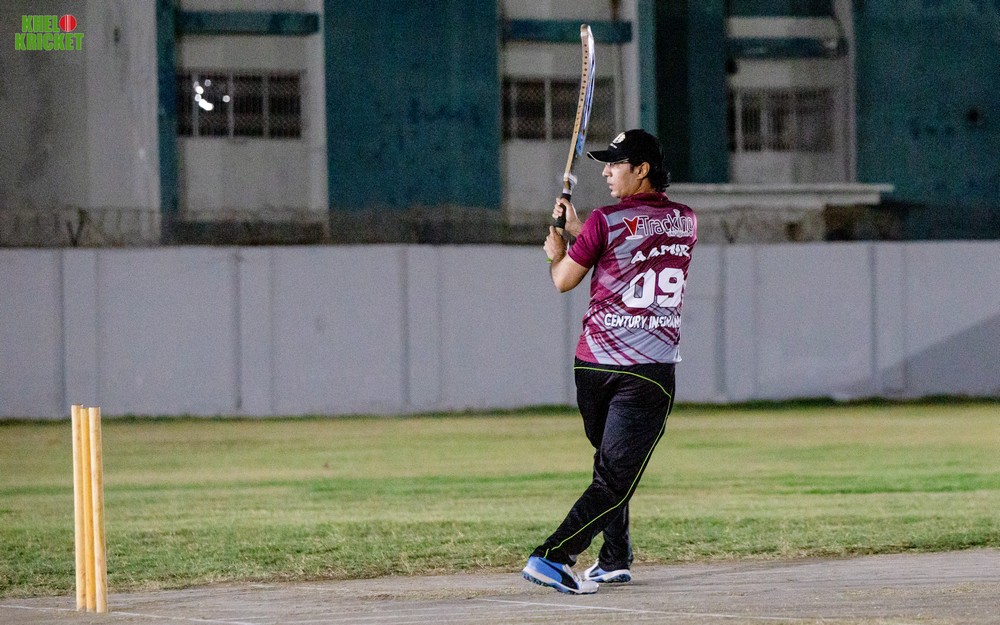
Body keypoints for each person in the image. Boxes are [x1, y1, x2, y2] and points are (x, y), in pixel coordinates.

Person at [521, 129, 697, 595]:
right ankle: (553, 556)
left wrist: (558, 251)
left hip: (593, 367)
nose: (606, 172)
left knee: (610, 469)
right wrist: (581, 232)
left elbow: (563, 279)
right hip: (647, 372)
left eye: (616, 164)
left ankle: (614, 558)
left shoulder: (604, 221)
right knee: (615, 476)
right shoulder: (686, 221)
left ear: (642, 169)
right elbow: (642, 243)